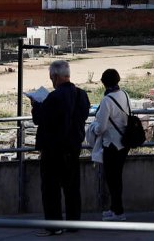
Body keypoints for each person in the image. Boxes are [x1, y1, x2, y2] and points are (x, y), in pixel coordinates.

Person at [31, 60, 90, 236]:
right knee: (72, 188)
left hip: (53, 150)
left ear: (56, 76)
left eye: (51, 77)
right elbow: (83, 115)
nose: (51, 80)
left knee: (50, 190)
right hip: (73, 148)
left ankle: (54, 226)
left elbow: (40, 119)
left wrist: (36, 106)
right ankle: (73, 224)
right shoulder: (82, 95)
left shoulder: (54, 97)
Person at [92, 69, 130, 221]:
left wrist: (93, 128)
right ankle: (114, 208)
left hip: (111, 144)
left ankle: (118, 212)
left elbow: (100, 127)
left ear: (104, 83)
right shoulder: (125, 94)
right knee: (117, 178)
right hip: (124, 142)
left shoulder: (107, 100)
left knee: (112, 179)